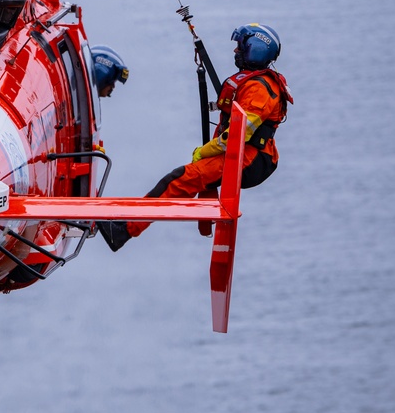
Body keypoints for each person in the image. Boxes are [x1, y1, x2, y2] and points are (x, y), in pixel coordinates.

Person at [99, 23, 292, 252]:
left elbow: (238, 134)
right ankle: (127, 224)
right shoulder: (254, 82)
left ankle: (124, 230)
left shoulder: (259, 89)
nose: (235, 52)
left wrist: (205, 151)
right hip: (247, 155)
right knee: (186, 178)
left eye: (240, 47)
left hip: (252, 159)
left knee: (179, 179)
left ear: (255, 49)